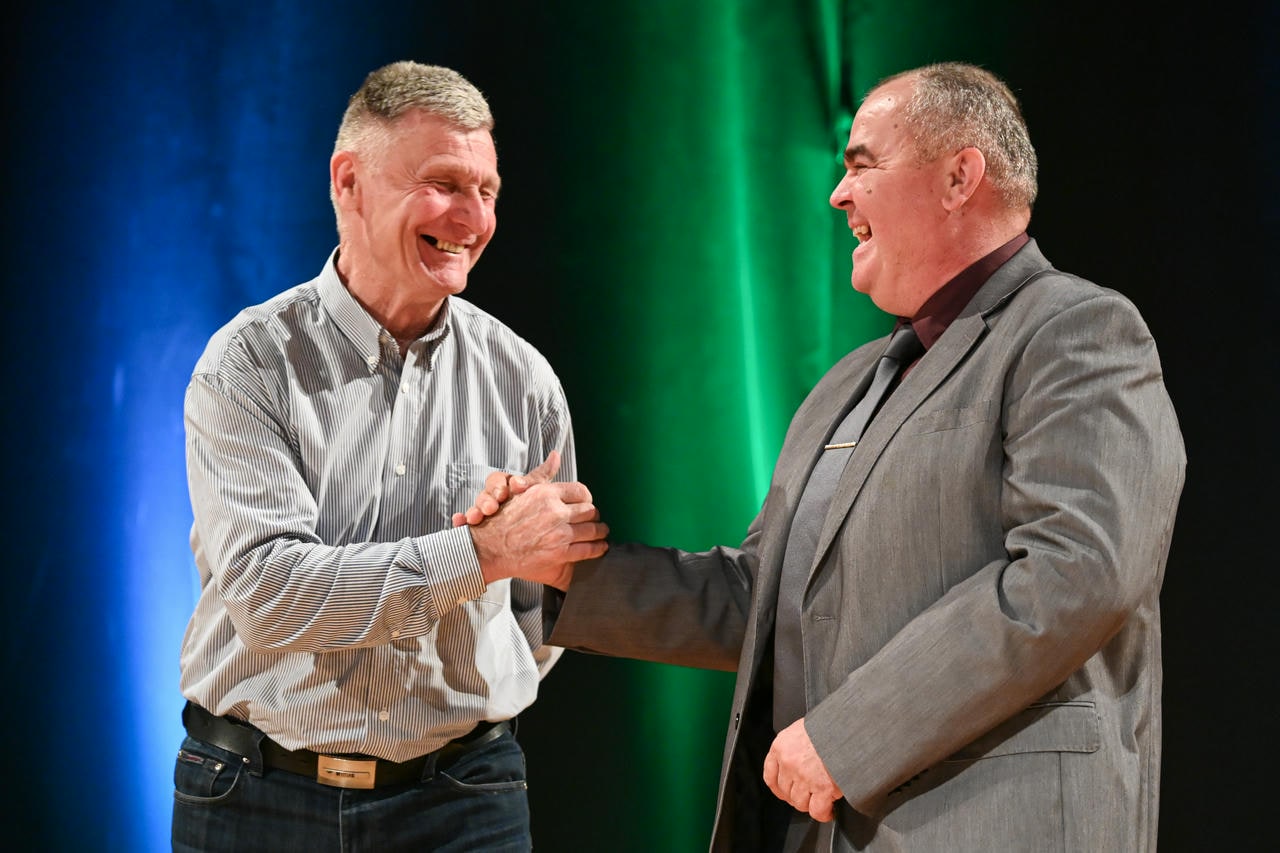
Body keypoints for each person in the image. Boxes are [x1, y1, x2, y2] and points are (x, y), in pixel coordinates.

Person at [461, 62, 1185, 851]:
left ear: (959, 177)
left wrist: (848, 736)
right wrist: (562, 566)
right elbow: (762, 598)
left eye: (862, 165)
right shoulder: (848, 383)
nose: (838, 195)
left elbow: (1075, 572)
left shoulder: (1074, 331)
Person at [173, 61, 608, 852]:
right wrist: (481, 552)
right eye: (444, 183)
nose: (473, 218)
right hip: (256, 796)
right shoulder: (248, 365)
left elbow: (541, 616)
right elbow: (270, 596)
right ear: (349, 182)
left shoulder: (523, 379)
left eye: (488, 191)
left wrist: (521, 563)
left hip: (464, 800)